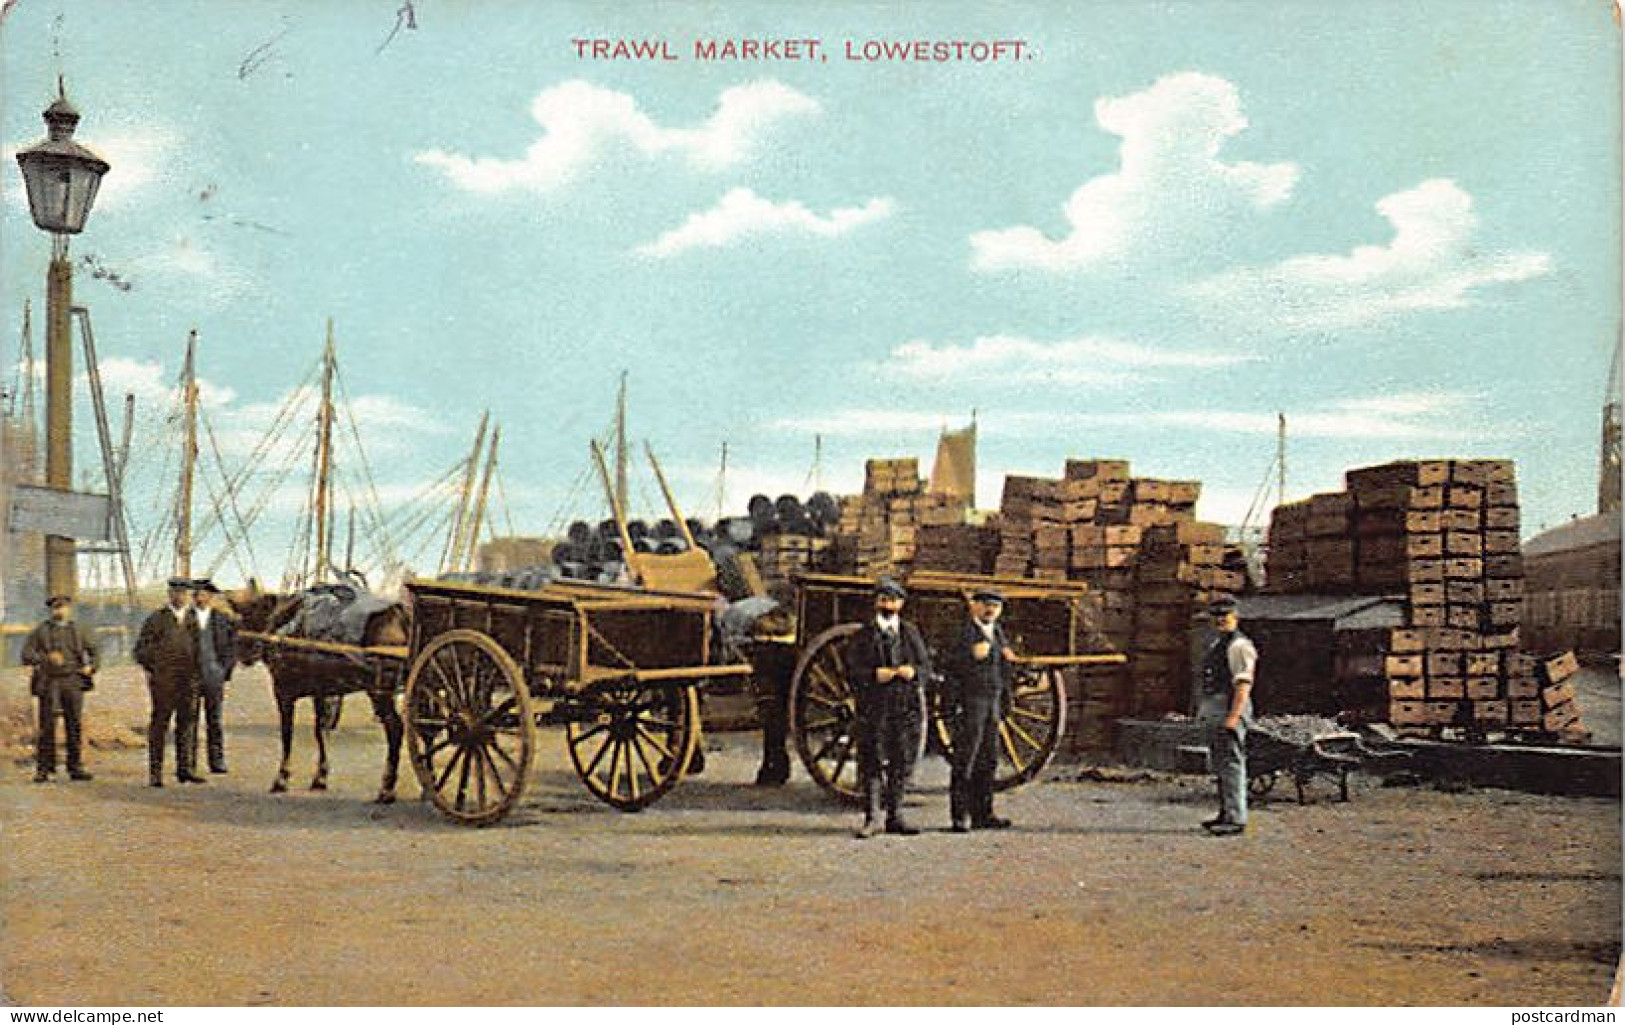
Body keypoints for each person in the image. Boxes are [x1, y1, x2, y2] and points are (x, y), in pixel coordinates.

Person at [842, 577, 932, 838]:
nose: (888, 605)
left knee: (900, 760)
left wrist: (912, 671)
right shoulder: (863, 635)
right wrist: (873, 674)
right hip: (873, 707)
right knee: (871, 760)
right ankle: (872, 818)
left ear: (901, 604)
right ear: (876, 603)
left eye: (893, 600)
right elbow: (850, 670)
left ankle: (896, 816)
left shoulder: (910, 633)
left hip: (904, 707)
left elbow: (926, 667)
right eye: (883, 600)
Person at [943, 587, 1017, 831]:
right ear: (973, 606)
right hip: (970, 703)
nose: (990, 610)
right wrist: (970, 657)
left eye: (995, 606)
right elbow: (949, 671)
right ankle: (959, 816)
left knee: (989, 760)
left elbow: (1005, 673)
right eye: (985, 604)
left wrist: (1006, 701)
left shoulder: (998, 633)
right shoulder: (963, 635)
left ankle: (984, 813)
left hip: (992, 704)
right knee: (965, 760)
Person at [134, 577, 205, 787]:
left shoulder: (194, 620)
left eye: (184, 593)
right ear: (169, 594)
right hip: (164, 681)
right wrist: (157, 669)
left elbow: (202, 651)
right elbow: (141, 651)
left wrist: (199, 675)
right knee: (160, 725)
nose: (180, 597)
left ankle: (186, 770)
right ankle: (155, 773)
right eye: (176, 592)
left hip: (188, 680)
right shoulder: (156, 619)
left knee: (188, 724)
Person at [20, 595, 98, 783]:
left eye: (63, 607)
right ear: (51, 610)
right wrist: (46, 658)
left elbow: (95, 652)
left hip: (73, 681)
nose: (59, 611)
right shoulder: (41, 631)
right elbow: (26, 654)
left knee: (74, 724)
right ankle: (44, 769)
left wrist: (91, 667)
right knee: (47, 726)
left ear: (69, 609)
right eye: (55, 608)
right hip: (49, 682)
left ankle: (75, 767)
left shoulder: (79, 630)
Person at [1197, 595, 1257, 836]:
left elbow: (1243, 685)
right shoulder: (1218, 643)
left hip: (1231, 706)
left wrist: (1233, 717)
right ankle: (1225, 812)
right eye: (1216, 616)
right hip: (1217, 708)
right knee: (1221, 763)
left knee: (1232, 763)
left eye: (1225, 616)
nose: (1220, 620)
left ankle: (1236, 817)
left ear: (1236, 617)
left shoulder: (1239, 646)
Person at [747, 601, 797, 787]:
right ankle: (775, 766)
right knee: (774, 711)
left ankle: (774, 766)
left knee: (772, 711)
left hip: (773, 669)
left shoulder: (768, 648)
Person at [190, 579, 238, 775]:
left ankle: (217, 761)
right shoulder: (185, 617)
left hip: (213, 676)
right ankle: (189, 763)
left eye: (203, 594)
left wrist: (224, 671)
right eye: (196, 594)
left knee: (215, 720)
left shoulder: (222, 619)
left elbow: (230, 647)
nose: (199, 597)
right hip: (190, 677)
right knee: (189, 720)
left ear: (210, 597)